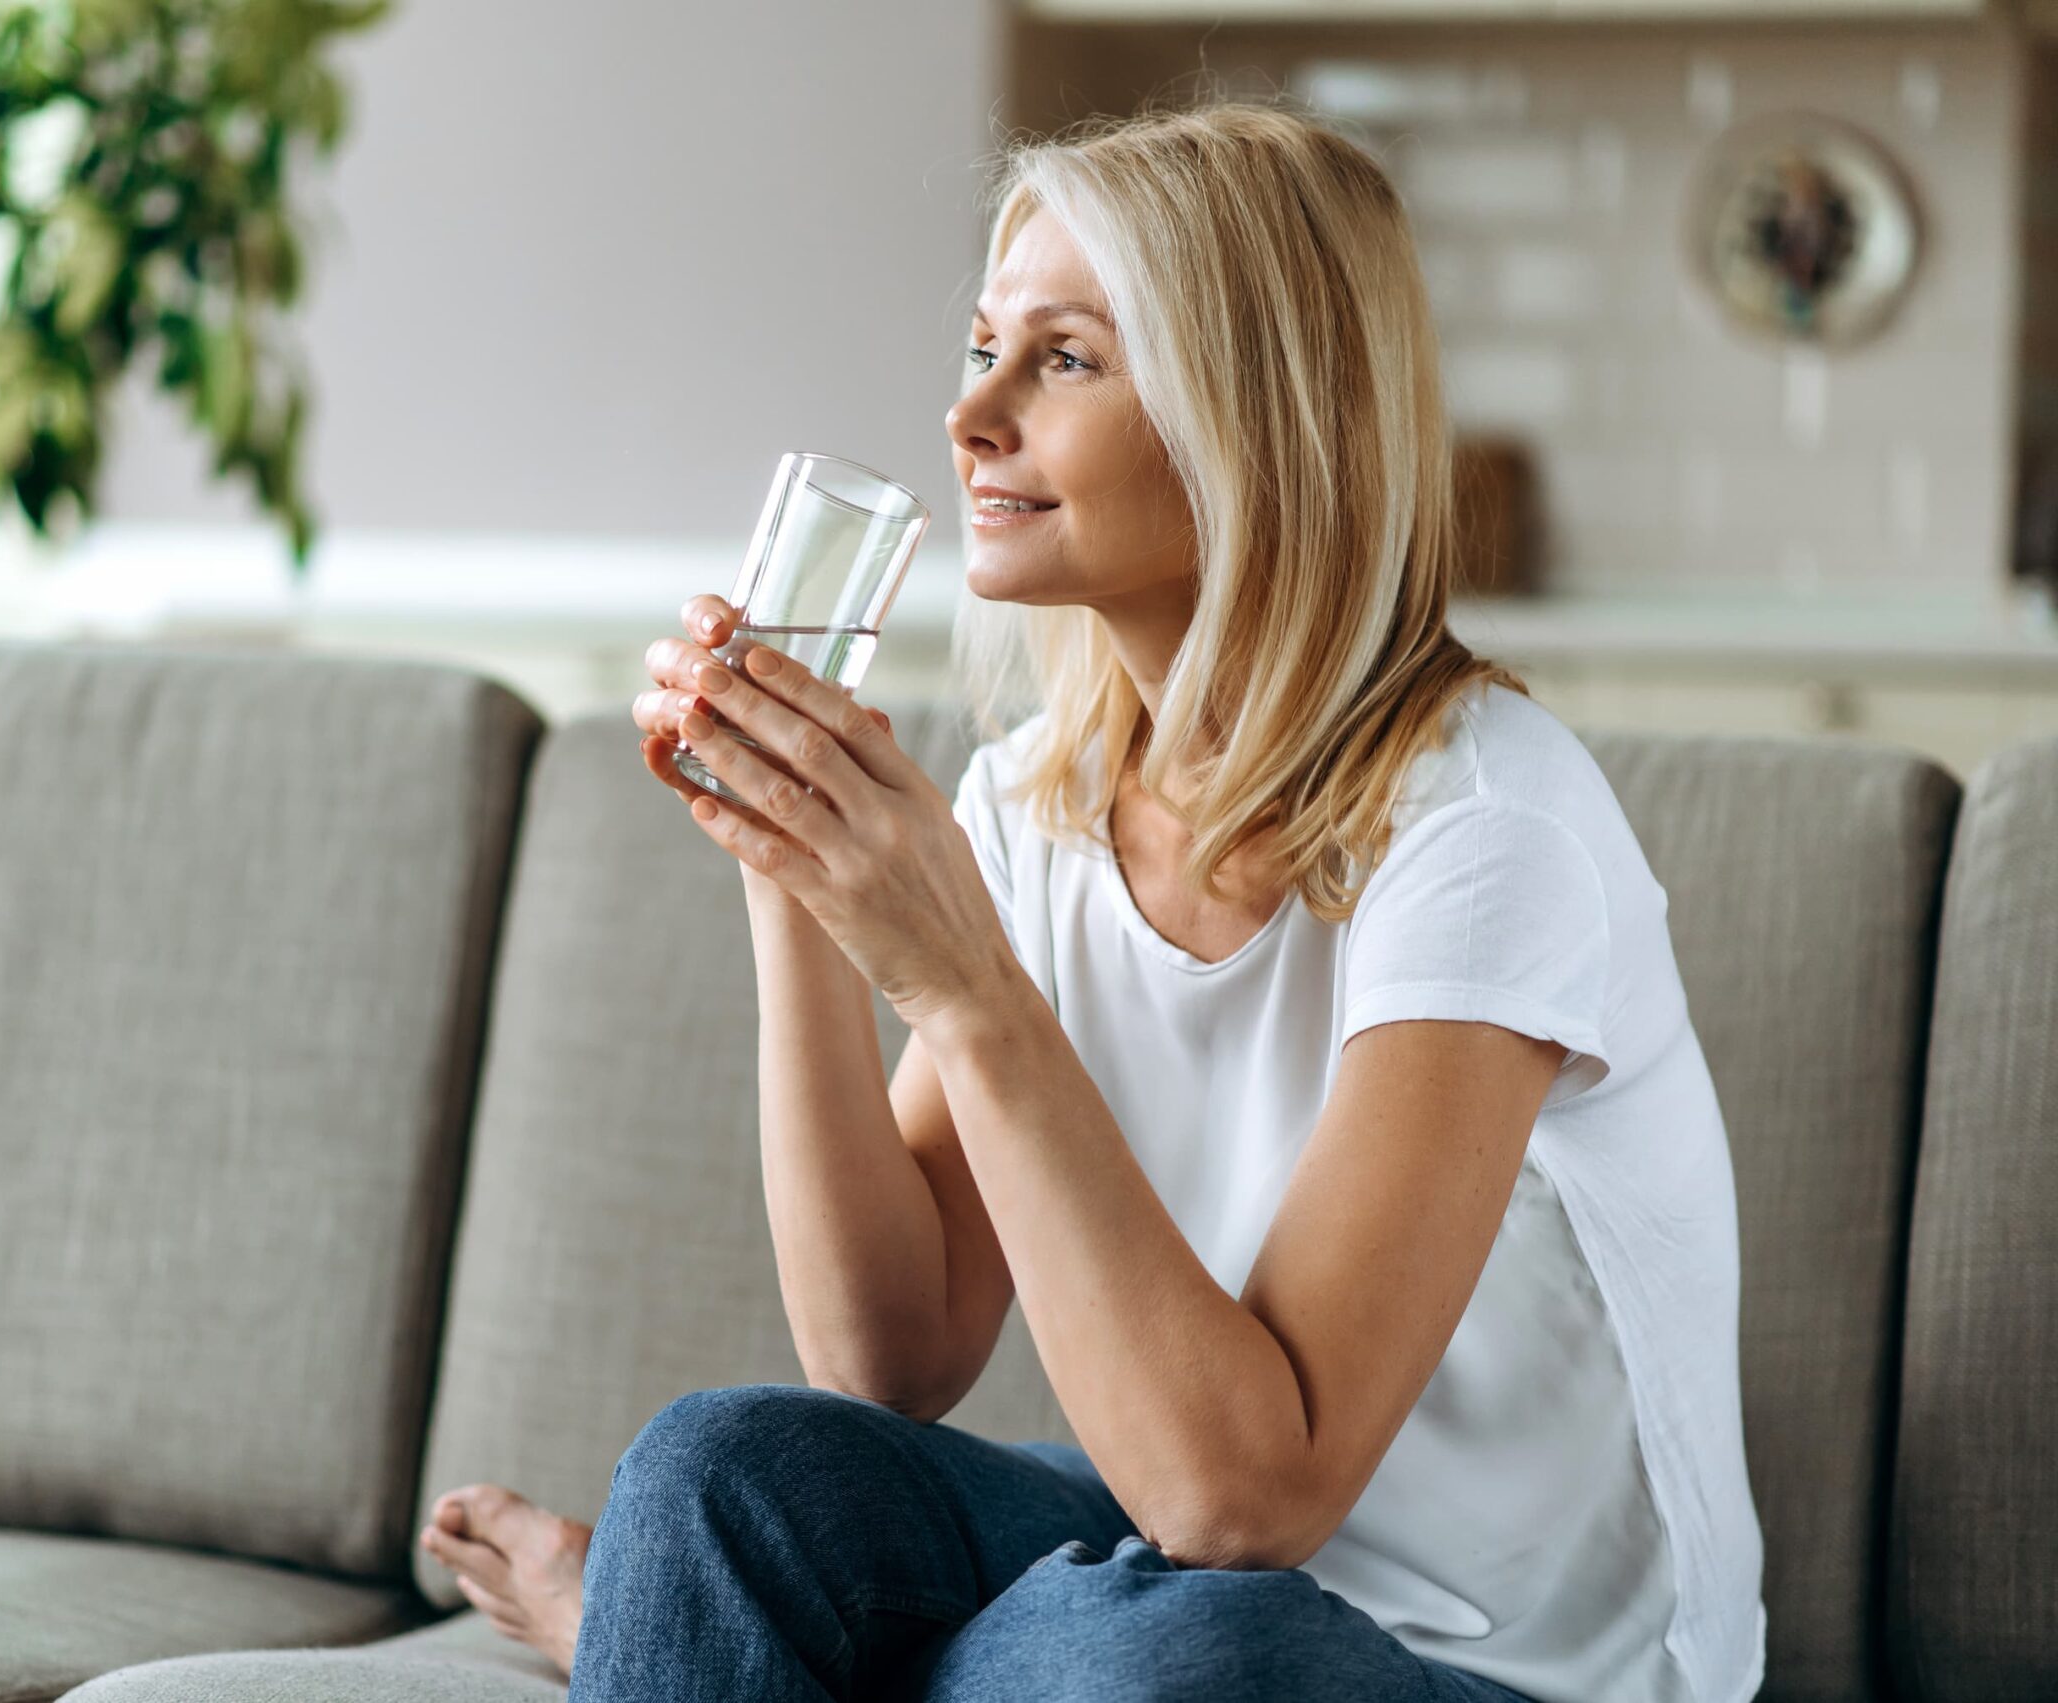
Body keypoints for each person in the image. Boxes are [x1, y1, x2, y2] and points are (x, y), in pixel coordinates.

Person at [420, 100, 1766, 1703]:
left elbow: (1246, 1500)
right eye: (984, 346)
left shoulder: (1486, 828)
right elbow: (890, 1357)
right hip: (1172, 1577)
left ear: (1256, 422)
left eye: (1062, 360)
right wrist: (789, 870)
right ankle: (691, 1615)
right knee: (719, 1479)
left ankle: (670, 1643)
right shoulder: (1045, 801)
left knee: (1154, 1659)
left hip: (1491, 1666)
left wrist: (969, 989)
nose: (969, 411)